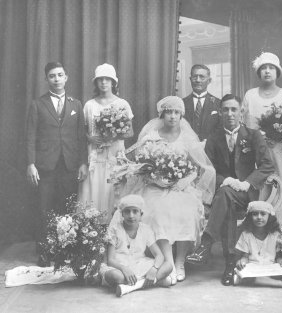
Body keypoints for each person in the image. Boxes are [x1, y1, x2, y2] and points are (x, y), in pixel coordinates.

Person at [123, 96, 215, 285]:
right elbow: (140, 165)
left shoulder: (187, 137)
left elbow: (199, 167)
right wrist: (154, 178)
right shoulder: (151, 137)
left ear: (181, 115)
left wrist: (185, 180)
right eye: (168, 112)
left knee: (186, 211)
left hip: (181, 187)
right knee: (158, 211)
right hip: (155, 187)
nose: (172, 116)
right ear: (162, 114)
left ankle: (180, 261)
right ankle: (169, 262)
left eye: (176, 113)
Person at [186, 94, 275, 286]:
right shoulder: (214, 138)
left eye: (234, 109)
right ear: (220, 112)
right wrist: (224, 179)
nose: (230, 113)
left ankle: (206, 244)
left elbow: (268, 165)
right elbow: (207, 170)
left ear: (241, 111)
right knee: (227, 200)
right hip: (225, 191)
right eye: (225, 109)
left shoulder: (253, 135)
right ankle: (230, 264)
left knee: (226, 196)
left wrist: (248, 182)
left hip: (248, 194)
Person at [26, 62, 88, 266]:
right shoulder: (38, 104)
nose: (56, 79)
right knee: (45, 208)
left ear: (66, 77)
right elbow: (30, 136)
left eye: (60, 75)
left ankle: (66, 250)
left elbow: (81, 137)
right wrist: (31, 163)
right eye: (52, 76)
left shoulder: (76, 104)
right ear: (47, 79)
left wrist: (82, 163)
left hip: (69, 164)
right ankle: (45, 251)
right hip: (45, 165)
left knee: (67, 207)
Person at [243, 52, 282, 224]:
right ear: (259, 72)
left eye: (271, 68)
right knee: (260, 182)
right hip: (256, 148)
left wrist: (277, 135)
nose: (267, 71)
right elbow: (245, 124)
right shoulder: (250, 95)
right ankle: (259, 227)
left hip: (279, 148)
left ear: (277, 72)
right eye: (263, 68)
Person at [79, 63, 133, 224]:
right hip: (95, 155)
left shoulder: (122, 104)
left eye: (107, 79)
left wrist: (114, 134)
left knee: (112, 191)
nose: (104, 83)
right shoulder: (89, 105)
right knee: (93, 192)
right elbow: (80, 133)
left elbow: (130, 132)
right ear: (96, 83)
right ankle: (92, 234)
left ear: (113, 82)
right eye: (100, 79)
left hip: (114, 155)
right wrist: (89, 138)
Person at [100, 195, 173, 297]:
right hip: (119, 266)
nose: (131, 215)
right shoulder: (115, 230)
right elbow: (110, 260)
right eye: (127, 211)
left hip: (139, 263)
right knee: (117, 277)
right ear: (122, 214)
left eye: (135, 211)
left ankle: (132, 286)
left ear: (141, 214)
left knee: (169, 265)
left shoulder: (145, 229)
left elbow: (159, 255)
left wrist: (154, 269)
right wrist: (124, 269)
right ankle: (156, 281)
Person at [233, 201, 282, 290]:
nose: (259, 217)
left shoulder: (275, 234)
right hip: (253, 267)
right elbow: (245, 256)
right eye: (255, 214)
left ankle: (245, 280)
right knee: (244, 271)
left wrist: (280, 260)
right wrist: (242, 261)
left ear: (269, 217)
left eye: (263, 214)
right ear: (250, 217)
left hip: (270, 267)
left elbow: (278, 255)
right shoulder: (246, 234)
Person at [183, 64, 220, 141]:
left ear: (209, 81)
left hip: (210, 149)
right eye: (195, 77)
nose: (198, 80)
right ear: (190, 79)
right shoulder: (182, 103)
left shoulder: (218, 103)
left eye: (202, 77)